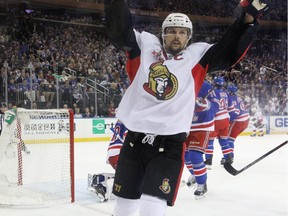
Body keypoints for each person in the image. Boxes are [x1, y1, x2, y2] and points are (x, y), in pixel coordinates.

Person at [104, 0, 269, 215]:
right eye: (171, 31)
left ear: (188, 36)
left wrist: (248, 15)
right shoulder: (144, 45)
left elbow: (229, 50)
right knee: (124, 205)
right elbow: (120, 31)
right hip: (135, 139)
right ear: (163, 34)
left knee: (151, 207)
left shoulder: (198, 56)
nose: (176, 35)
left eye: (182, 32)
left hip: (169, 143)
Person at [184, 80, 217, 199]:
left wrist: (205, 104)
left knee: (194, 155)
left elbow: (216, 106)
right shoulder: (182, 80)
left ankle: (202, 183)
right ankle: (196, 175)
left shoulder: (207, 85)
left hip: (203, 125)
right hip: (186, 125)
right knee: (184, 155)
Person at [88, 120, 127, 202]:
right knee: (134, 176)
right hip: (119, 153)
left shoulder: (123, 119)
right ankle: (99, 182)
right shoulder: (131, 122)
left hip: (115, 153)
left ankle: (100, 179)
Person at [204, 76, 232, 168]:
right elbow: (230, 106)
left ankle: (208, 161)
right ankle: (228, 159)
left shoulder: (212, 92)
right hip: (225, 119)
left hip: (216, 119)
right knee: (224, 140)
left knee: (210, 141)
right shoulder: (225, 92)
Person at [227, 84, 250, 161]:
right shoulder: (238, 97)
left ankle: (230, 157)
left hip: (238, 121)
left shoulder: (232, 98)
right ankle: (230, 156)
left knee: (229, 139)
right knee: (230, 139)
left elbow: (236, 112)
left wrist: (229, 122)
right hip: (246, 120)